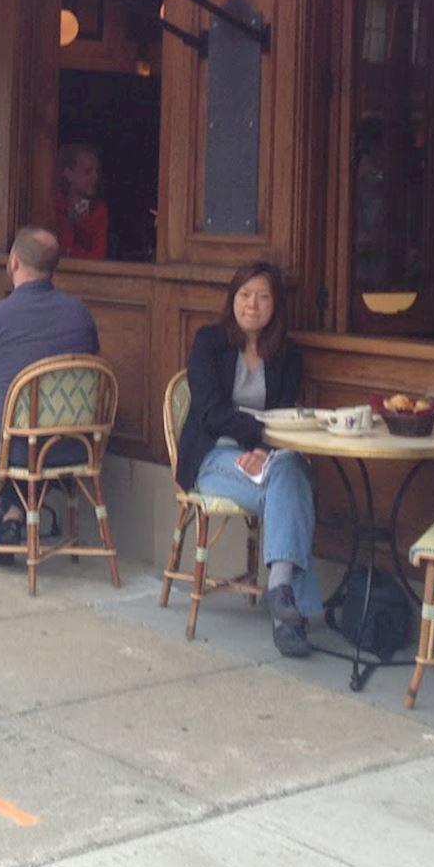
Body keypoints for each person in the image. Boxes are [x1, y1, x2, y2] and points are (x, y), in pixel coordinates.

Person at [176, 261, 320, 658]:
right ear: (232, 299)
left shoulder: (288, 354)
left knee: (290, 473)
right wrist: (258, 437)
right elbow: (208, 410)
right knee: (294, 489)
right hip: (214, 455)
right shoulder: (209, 342)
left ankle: (279, 590)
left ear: (276, 305)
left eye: (262, 297)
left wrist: (266, 451)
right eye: (244, 295)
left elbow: (286, 412)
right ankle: (289, 615)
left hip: (268, 458)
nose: (252, 305)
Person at [0, 227, 98, 550]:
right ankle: (15, 514)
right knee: (1, 429)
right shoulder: (80, 314)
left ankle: (6, 513)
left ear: (14, 261)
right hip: (76, 445)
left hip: (17, 448)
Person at [53, 143, 108, 261]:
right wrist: (68, 222)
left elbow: (98, 257)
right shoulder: (53, 205)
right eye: (88, 171)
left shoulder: (99, 211)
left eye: (96, 171)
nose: (95, 177)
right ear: (68, 174)